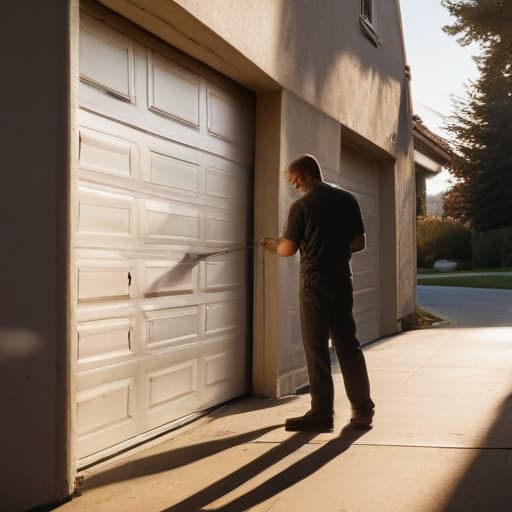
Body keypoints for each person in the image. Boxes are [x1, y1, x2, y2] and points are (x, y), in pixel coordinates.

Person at [262, 154, 375, 432]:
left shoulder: (302, 206)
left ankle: (322, 414)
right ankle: (362, 411)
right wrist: (334, 252)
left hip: (315, 284)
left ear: (303, 176)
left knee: (316, 348)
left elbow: (288, 249)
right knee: (348, 344)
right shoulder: (348, 199)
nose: (294, 187)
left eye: (294, 181)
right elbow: (359, 243)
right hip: (342, 279)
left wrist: (272, 245)